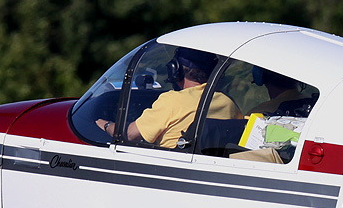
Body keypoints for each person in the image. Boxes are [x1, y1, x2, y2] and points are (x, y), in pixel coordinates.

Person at [96, 48, 238, 149]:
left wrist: (103, 124)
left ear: (175, 70)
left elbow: (128, 135)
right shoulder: (229, 103)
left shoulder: (173, 100)